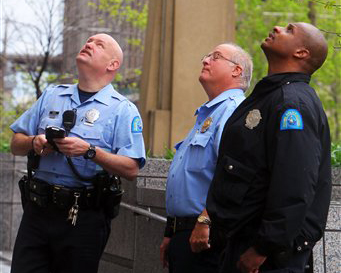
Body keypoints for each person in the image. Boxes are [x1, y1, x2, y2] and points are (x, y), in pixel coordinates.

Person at [10, 33, 145, 273]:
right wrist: (35, 141)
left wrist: (90, 151)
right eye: (88, 41)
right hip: (37, 211)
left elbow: (132, 168)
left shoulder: (122, 110)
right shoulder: (52, 96)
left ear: (112, 65)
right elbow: (15, 143)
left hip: (83, 218)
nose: (89, 44)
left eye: (98, 44)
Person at [205, 22, 331, 273]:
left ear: (301, 53)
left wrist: (264, 248)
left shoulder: (292, 104)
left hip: (266, 258)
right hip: (240, 244)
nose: (276, 27)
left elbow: (294, 183)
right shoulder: (267, 96)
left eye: (289, 30)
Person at [160, 43, 253, 273]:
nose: (205, 60)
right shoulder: (208, 114)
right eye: (207, 55)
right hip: (186, 233)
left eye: (216, 57)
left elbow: (234, 174)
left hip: (208, 236)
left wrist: (205, 220)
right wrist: (171, 232)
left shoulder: (233, 110)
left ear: (237, 71)